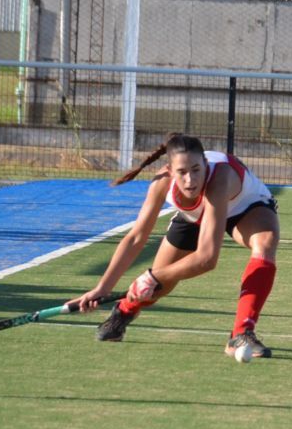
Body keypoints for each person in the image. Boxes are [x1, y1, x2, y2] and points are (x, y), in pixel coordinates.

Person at [69, 133, 280, 359]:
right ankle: (124, 310)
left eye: (196, 170)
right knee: (162, 286)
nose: (190, 180)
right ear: (170, 171)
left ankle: (241, 333)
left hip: (244, 207)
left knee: (265, 243)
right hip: (193, 216)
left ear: (205, 164)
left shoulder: (220, 179)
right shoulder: (162, 183)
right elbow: (136, 237)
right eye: (182, 172)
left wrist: (151, 276)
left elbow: (207, 259)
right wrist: (102, 288)